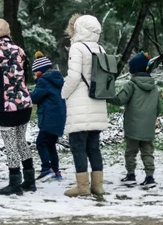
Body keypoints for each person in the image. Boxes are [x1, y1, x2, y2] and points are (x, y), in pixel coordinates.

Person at [0, 18, 35, 195]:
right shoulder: (19, 50)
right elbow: (26, 76)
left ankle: (15, 183)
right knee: (21, 141)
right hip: (25, 102)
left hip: (6, 106)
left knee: (11, 144)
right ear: (8, 31)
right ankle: (30, 180)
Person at [60, 14, 108, 197]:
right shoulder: (100, 49)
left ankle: (82, 187)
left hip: (80, 105)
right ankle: (98, 186)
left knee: (78, 146)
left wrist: (63, 94)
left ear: (79, 28)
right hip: (97, 102)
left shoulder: (77, 48)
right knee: (93, 146)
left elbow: (73, 77)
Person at [108, 51, 161, 188]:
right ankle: (150, 177)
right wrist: (152, 118)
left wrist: (106, 95)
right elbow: (159, 107)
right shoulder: (154, 87)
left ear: (134, 70)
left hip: (133, 125)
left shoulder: (131, 85)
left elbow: (120, 100)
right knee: (148, 152)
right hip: (148, 126)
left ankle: (131, 175)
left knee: (131, 152)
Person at [29, 51, 66, 181]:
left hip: (48, 117)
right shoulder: (58, 79)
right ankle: (56, 171)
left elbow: (35, 98)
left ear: (40, 71)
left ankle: (46, 168)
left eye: (35, 72)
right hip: (59, 117)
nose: (34, 74)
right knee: (51, 144)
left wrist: (28, 92)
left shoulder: (43, 81)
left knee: (41, 143)